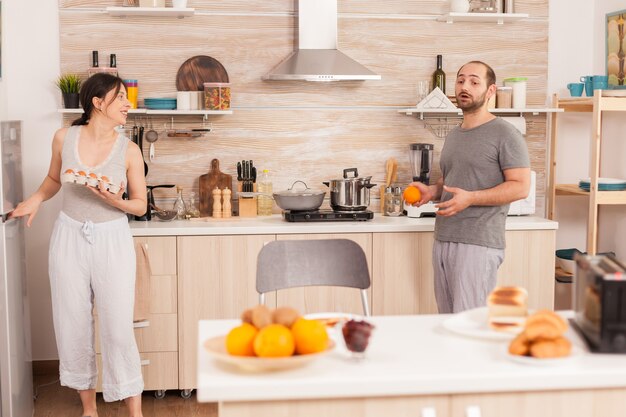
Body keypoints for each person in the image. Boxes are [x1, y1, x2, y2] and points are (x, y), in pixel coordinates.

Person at [10, 73, 147, 417]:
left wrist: (115, 202)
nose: (128, 105)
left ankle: (135, 410)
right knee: (72, 322)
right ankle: (89, 409)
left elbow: (141, 205)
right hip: (69, 236)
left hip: (112, 238)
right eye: (120, 99)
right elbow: (55, 179)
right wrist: (36, 199)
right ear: (98, 103)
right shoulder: (63, 138)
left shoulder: (129, 149)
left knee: (117, 328)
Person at [410, 61, 530, 314]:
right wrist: (433, 191)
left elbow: (520, 187)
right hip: (443, 238)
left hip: (478, 242)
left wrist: (472, 198)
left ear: (490, 91)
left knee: (470, 323)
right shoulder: (455, 134)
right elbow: (453, 180)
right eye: (461, 80)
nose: (465, 86)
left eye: (474, 82)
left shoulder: (505, 134)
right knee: (447, 322)